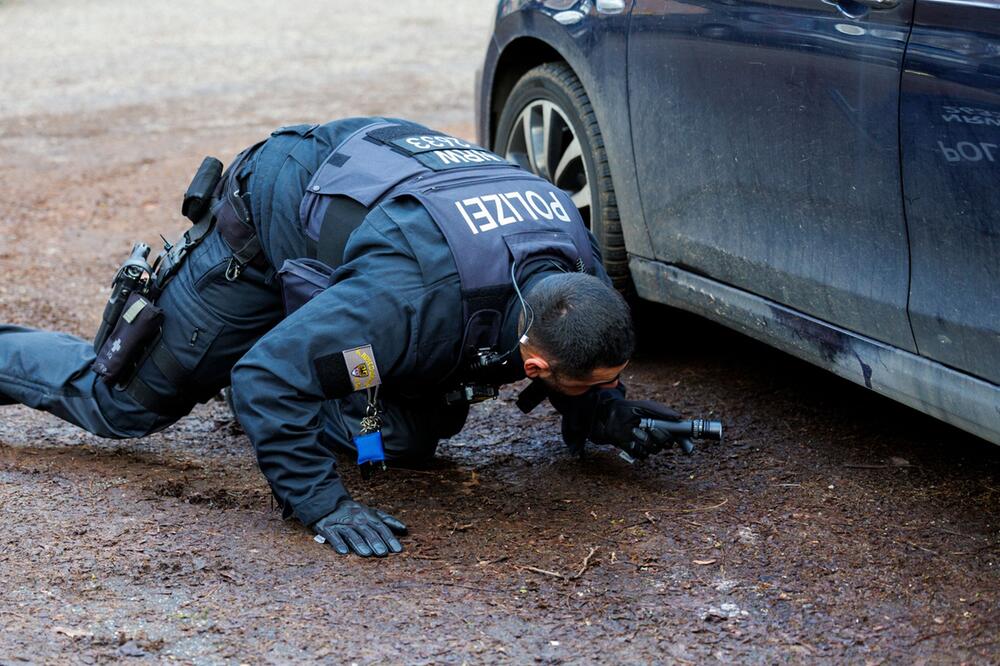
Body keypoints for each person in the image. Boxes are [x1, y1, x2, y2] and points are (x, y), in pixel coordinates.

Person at [0, 117, 683, 557]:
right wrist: (319, 503)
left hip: (367, 245)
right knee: (123, 404)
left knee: (408, 436)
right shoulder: (409, 300)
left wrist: (605, 411)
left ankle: (309, 336)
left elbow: (574, 340)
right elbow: (264, 377)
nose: (598, 384)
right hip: (271, 220)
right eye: (588, 383)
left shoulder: (575, 262)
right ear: (533, 363)